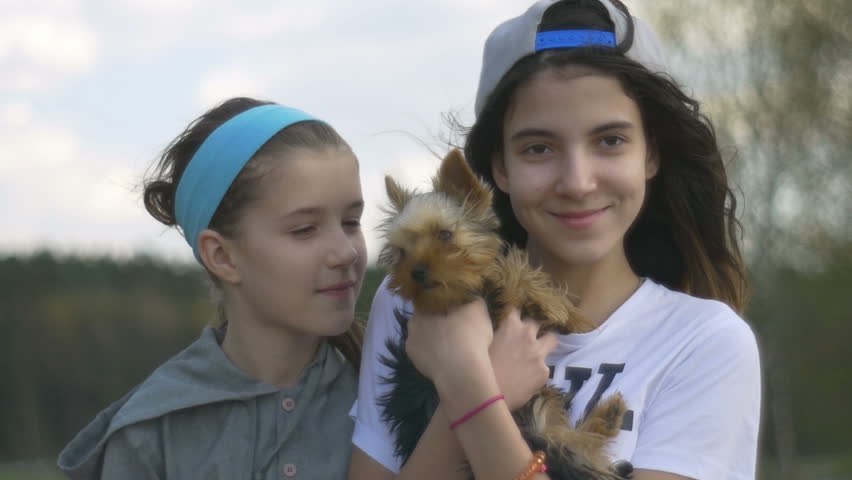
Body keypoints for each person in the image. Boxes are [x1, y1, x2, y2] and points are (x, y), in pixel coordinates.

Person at [348, 1, 760, 479]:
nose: (577, 182)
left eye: (610, 141)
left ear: (652, 154)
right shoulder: (413, 302)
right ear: (500, 167)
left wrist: (469, 381)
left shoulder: (702, 344)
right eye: (539, 148)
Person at [57, 97, 368, 479]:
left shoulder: (394, 405)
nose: (346, 251)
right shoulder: (152, 434)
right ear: (221, 256)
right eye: (304, 230)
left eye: (351, 221)